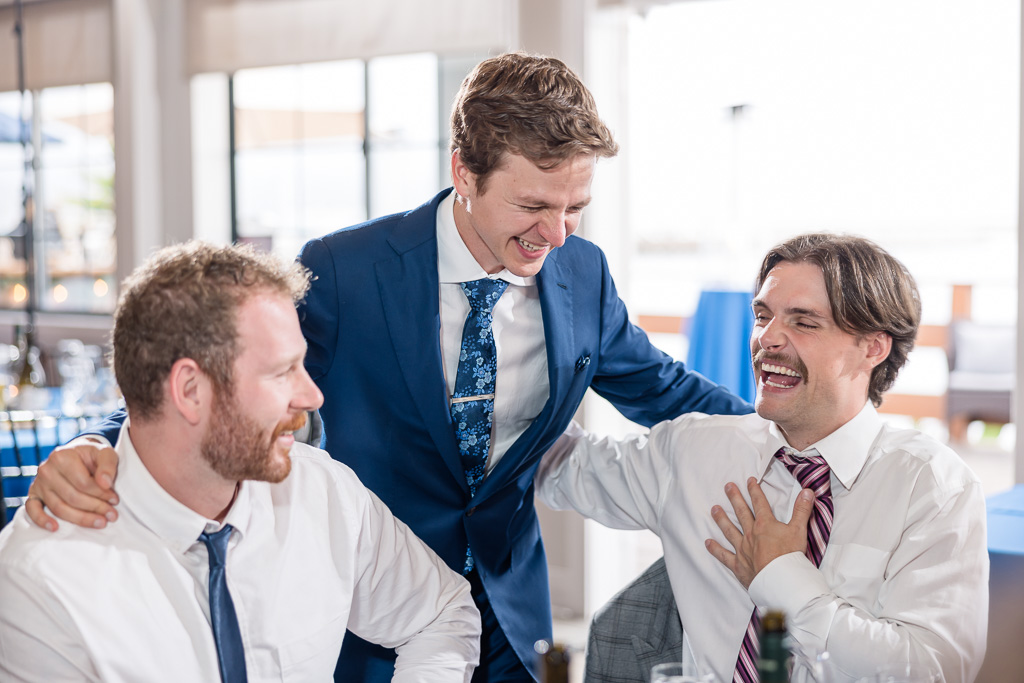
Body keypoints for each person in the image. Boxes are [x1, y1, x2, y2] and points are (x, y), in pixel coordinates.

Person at [26, 53, 751, 682]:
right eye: (533, 204)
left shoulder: (581, 273)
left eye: (575, 207)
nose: (556, 234)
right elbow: (226, 378)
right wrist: (101, 445)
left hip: (512, 607)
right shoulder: (347, 270)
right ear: (463, 171)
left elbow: (662, 387)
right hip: (377, 611)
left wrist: (787, 440)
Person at [0, 242, 480, 682]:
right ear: (190, 391)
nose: (312, 396)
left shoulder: (324, 492)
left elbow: (442, 614)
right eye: (281, 372)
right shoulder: (41, 578)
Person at [537, 233, 989, 683]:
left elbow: (933, 672)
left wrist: (782, 577)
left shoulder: (933, 487)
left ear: (873, 347)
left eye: (804, 323)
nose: (767, 338)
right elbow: (555, 463)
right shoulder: (695, 450)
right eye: (762, 315)